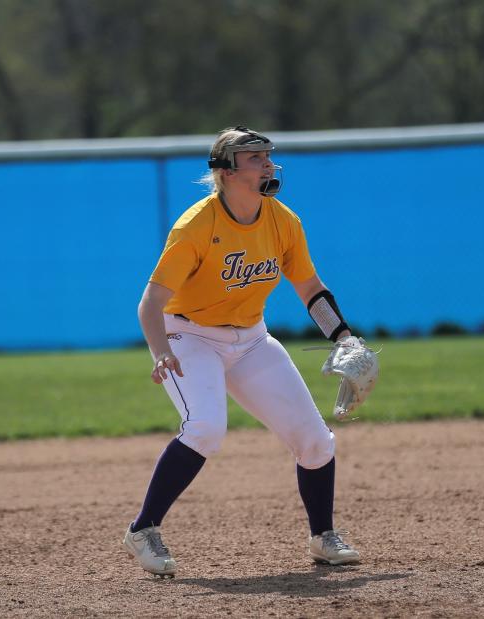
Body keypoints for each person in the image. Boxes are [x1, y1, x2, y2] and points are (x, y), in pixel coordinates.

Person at [121, 126, 361, 578]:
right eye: (255, 158)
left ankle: (323, 537)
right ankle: (143, 529)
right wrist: (158, 352)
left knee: (315, 440)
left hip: (250, 338)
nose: (268, 164)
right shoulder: (196, 225)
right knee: (206, 427)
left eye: (269, 156)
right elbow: (150, 302)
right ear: (226, 171)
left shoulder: (282, 220)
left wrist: (343, 337)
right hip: (187, 336)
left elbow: (310, 288)